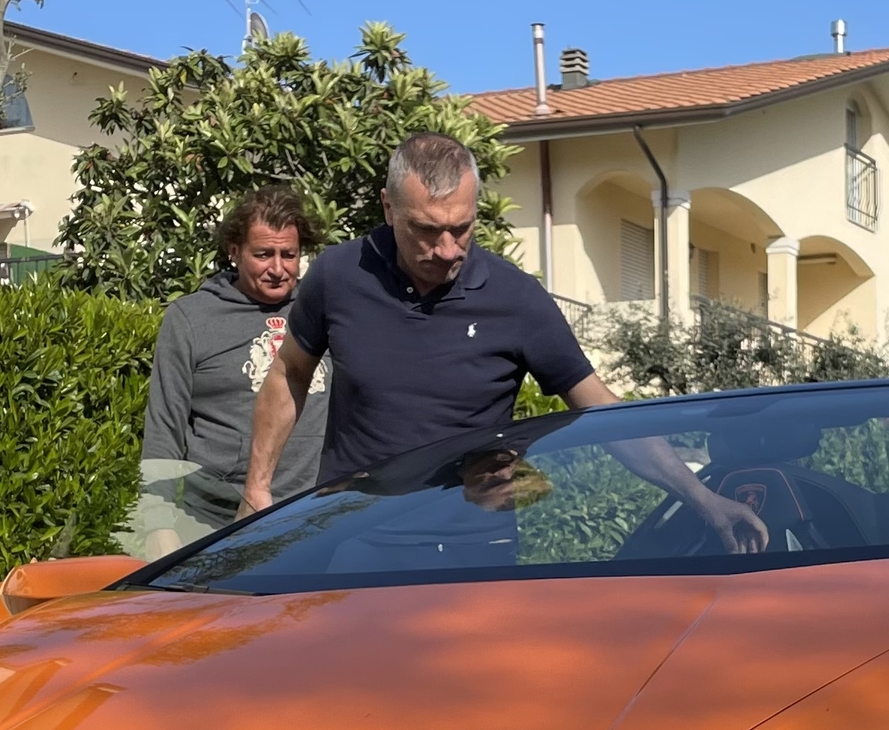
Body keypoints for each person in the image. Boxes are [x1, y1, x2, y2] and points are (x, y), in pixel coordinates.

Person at [240, 134, 766, 550]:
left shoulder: (516, 298)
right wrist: (258, 489)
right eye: (426, 230)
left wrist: (703, 499)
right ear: (388, 208)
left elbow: (603, 412)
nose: (447, 250)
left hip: (474, 544)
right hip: (352, 535)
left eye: (462, 229)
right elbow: (289, 373)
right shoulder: (338, 275)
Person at [134, 185, 331, 558]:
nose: (278, 268)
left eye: (289, 254)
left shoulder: (322, 312)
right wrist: (158, 524)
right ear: (234, 251)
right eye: (263, 254)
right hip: (216, 527)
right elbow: (164, 429)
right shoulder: (191, 318)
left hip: (313, 523)